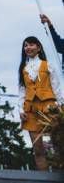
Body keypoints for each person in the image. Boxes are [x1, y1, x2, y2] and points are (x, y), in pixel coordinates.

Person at [18, 35, 64, 170]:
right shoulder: (23, 69)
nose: (28, 47)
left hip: (49, 108)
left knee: (58, 145)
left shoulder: (48, 65)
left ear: (38, 48)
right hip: (31, 110)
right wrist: (21, 110)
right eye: (25, 45)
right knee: (38, 149)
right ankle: (44, 181)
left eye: (31, 44)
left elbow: (57, 87)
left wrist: (61, 106)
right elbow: (21, 91)